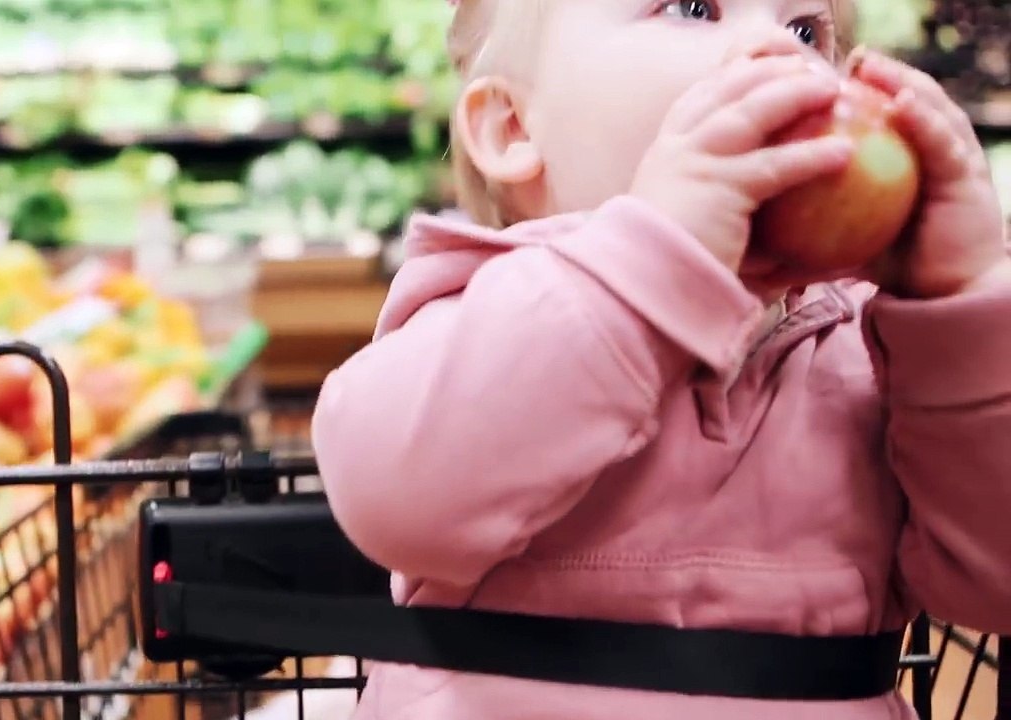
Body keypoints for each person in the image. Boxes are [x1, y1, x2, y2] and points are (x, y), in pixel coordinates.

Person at [309, 0, 1011, 718]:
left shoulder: (872, 352)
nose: (779, 52)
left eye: (806, 31)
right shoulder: (481, 309)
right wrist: (655, 260)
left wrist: (965, 300)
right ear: (515, 128)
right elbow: (396, 498)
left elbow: (997, 582)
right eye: (692, 7)